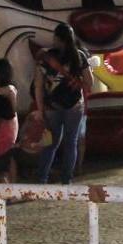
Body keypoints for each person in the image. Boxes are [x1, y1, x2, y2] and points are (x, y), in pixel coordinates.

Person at [32, 23, 92, 185]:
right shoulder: (79, 56)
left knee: (50, 142)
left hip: (52, 106)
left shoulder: (46, 58)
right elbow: (89, 82)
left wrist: (40, 108)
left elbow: (38, 85)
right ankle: (67, 180)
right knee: (71, 142)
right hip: (74, 105)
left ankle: (41, 179)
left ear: (57, 38)